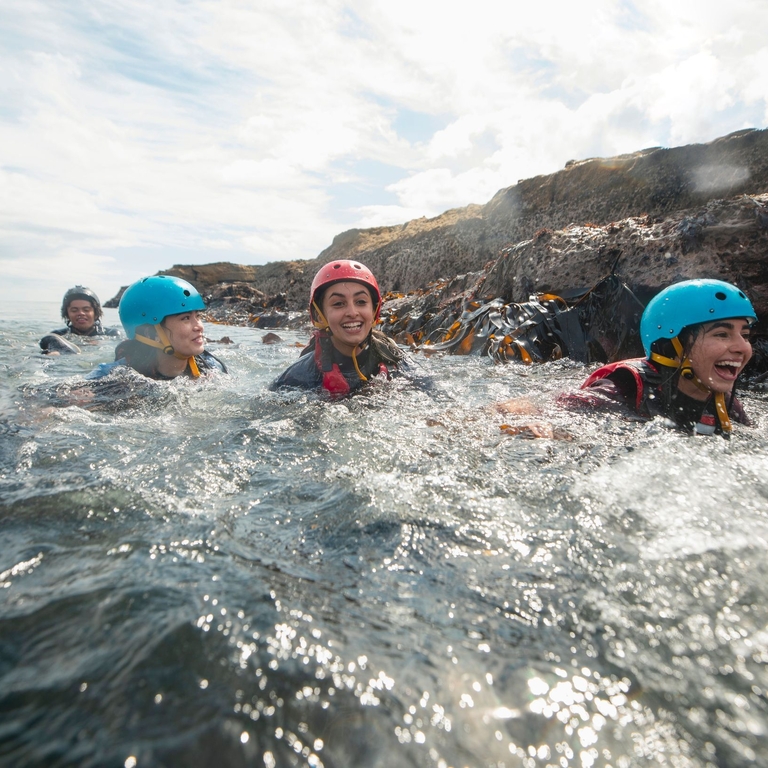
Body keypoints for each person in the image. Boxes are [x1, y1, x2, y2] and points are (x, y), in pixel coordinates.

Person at [563, 278, 755, 436]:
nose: (742, 347)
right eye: (721, 334)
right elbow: (562, 414)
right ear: (671, 345)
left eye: (745, 336)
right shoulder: (625, 386)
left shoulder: (726, 405)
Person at [270, 260, 404, 396]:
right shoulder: (295, 378)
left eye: (361, 302)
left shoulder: (396, 360)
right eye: (339, 303)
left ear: (375, 310)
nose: (352, 313)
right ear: (319, 316)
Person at [92, 275, 227, 380]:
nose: (199, 327)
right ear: (150, 333)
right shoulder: (110, 376)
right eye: (185, 318)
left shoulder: (213, 368)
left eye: (198, 316)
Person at [40, 285, 121, 353]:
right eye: (74, 310)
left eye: (86, 310)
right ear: (67, 314)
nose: (81, 313)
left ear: (96, 313)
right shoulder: (57, 336)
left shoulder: (112, 334)